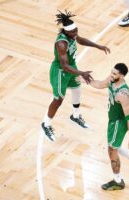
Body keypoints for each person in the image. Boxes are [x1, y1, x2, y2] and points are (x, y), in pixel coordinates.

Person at [41, 10, 110, 141]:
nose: (75, 34)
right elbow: (64, 66)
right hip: (60, 71)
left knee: (77, 89)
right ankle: (46, 124)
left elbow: (81, 40)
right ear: (65, 32)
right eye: (72, 32)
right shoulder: (61, 44)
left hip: (72, 67)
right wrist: (82, 73)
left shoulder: (73, 34)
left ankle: (76, 116)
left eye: (76, 30)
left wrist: (98, 46)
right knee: (58, 100)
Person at [89, 63, 129, 190]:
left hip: (118, 123)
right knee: (115, 146)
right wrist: (86, 80)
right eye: (112, 72)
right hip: (113, 120)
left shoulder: (122, 94)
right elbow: (100, 84)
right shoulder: (112, 80)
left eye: (115, 73)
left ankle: (118, 181)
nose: (111, 75)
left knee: (112, 150)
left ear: (121, 76)